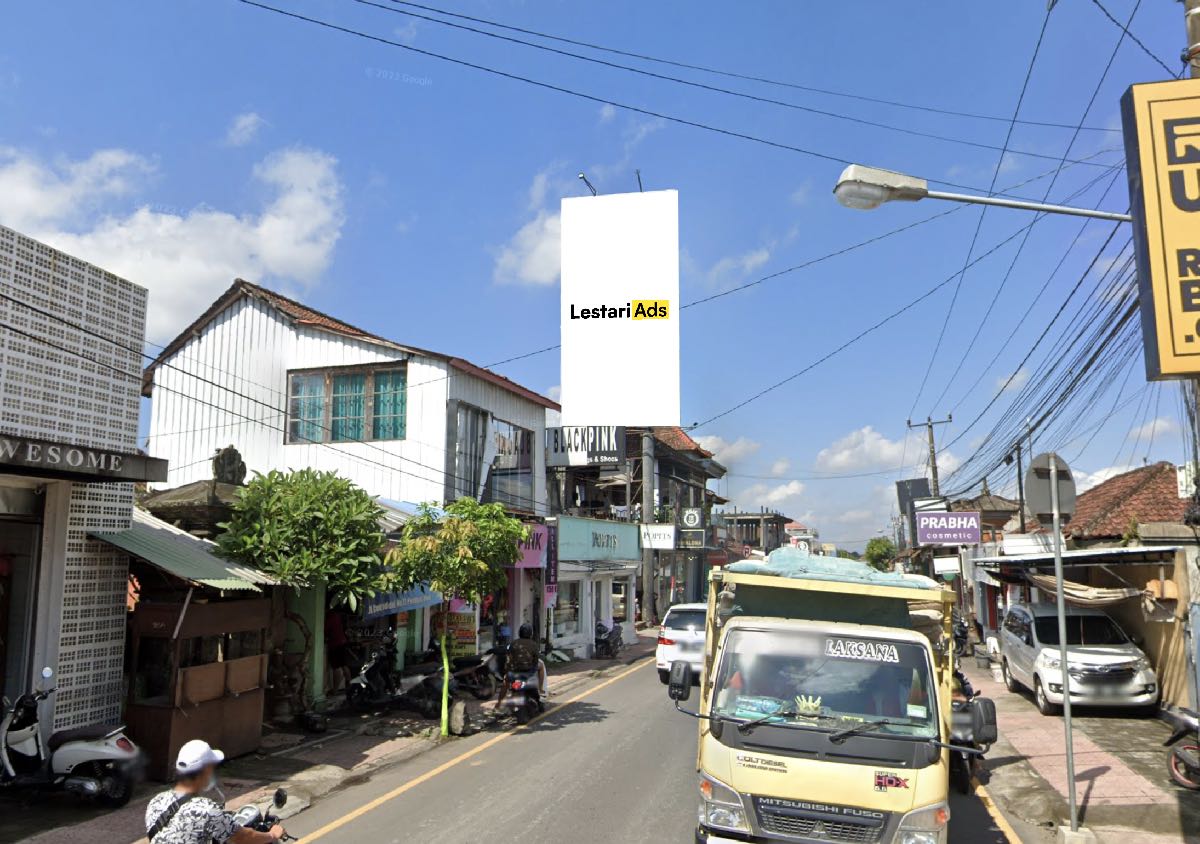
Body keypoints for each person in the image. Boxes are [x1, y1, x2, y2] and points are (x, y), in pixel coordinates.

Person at [145, 740, 285, 844]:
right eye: (212, 767)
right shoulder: (206, 809)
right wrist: (272, 835)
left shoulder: (156, 801)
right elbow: (243, 837)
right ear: (206, 769)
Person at [495, 623, 547, 708]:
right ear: (530, 633)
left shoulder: (513, 643)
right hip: (529, 672)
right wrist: (532, 667)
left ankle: (499, 703)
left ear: (520, 633)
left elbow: (508, 660)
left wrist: (507, 671)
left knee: (505, 682)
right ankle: (541, 689)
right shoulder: (534, 644)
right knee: (541, 666)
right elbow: (535, 660)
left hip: (514, 673)